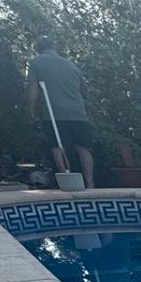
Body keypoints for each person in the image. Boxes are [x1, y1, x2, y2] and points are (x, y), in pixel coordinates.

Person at [25, 36, 95, 186]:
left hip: (55, 112)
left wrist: (31, 111)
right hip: (78, 113)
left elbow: (33, 89)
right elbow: (84, 89)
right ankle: (90, 184)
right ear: (54, 47)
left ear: (38, 49)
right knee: (83, 148)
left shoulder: (36, 62)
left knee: (57, 147)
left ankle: (67, 180)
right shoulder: (71, 65)